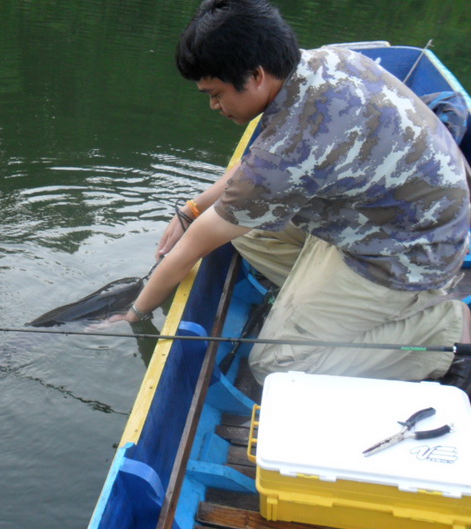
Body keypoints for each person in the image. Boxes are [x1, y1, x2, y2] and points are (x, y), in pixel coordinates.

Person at [115, 0, 471, 388]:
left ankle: (441, 330)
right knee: (245, 232)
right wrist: (190, 211)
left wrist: (133, 312)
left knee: (276, 364)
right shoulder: (321, 62)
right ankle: (324, 308)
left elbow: (190, 250)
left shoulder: (292, 147)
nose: (214, 105)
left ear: (256, 75)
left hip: (410, 252)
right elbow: (250, 171)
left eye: (215, 93)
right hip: (388, 215)